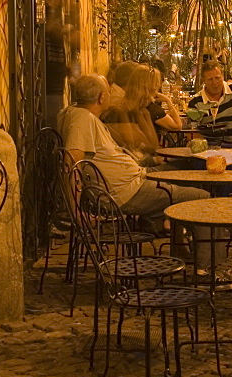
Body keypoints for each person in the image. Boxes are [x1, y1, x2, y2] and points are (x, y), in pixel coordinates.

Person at [57, 75, 210, 256]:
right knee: (202, 196)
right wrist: (77, 212)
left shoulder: (73, 113)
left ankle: (179, 248)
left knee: (189, 172)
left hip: (134, 177)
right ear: (101, 97)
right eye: (108, 91)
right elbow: (72, 164)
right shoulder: (82, 120)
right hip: (126, 191)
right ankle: (208, 267)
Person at [186, 60, 232, 137]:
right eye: (210, 79)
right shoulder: (195, 102)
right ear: (204, 81)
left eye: (217, 78)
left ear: (223, 77)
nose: (214, 83)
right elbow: (192, 133)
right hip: (209, 146)